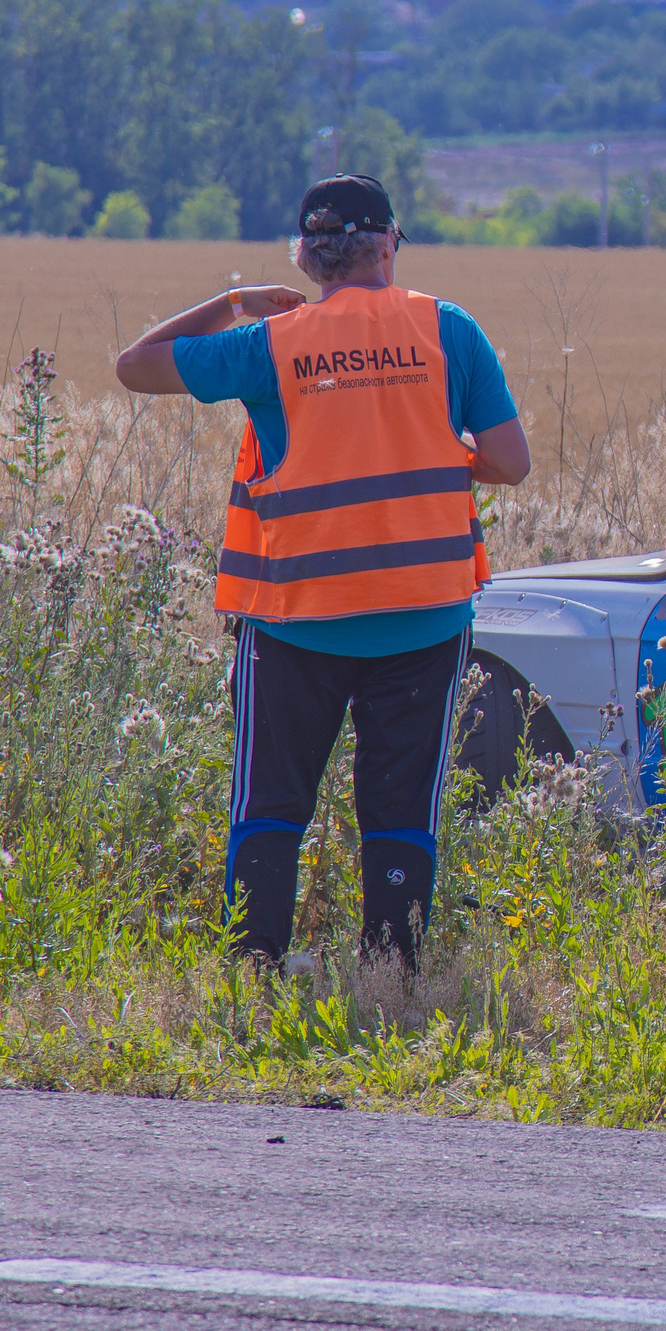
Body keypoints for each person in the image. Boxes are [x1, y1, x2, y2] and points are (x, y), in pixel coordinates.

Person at [113, 174, 531, 968]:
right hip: (424, 613)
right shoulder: (450, 330)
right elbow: (511, 461)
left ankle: (255, 966)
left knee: (271, 802)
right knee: (401, 807)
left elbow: (135, 365)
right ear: (388, 244)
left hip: (295, 616)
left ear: (306, 258)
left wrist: (234, 301)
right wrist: (433, 450)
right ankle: (391, 974)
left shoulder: (271, 342)